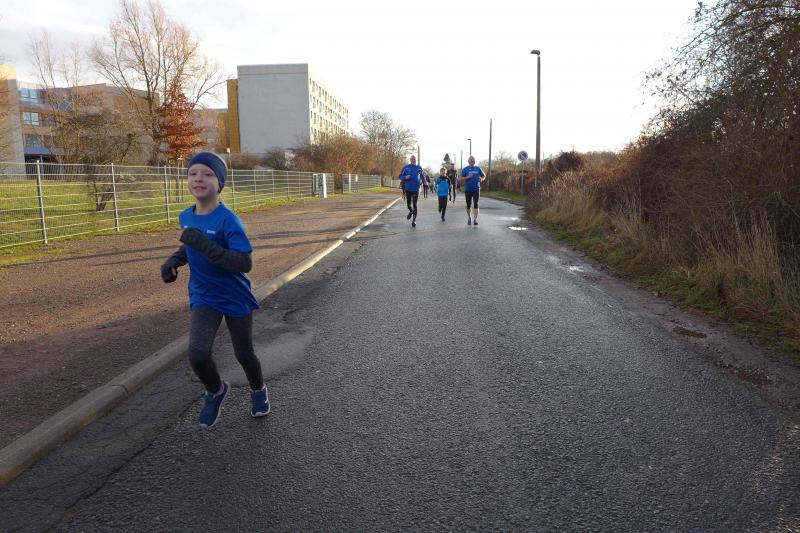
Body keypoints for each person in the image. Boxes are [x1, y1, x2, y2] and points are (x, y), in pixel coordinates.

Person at [160, 151, 270, 428]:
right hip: (204, 295)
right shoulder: (186, 216)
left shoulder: (228, 220)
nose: (199, 178)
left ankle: (258, 390)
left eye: (208, 174)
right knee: (197, 354)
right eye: (193, 173)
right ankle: (216, 390)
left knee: (244, 355)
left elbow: (243, 263)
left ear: (220, 183)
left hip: (234, 297)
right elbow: (190, 246)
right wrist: (174, 261)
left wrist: (201, 243)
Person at [460, 155, 486, 226]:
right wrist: (468, 177)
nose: (472, 161)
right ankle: (469, 217)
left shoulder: (478, 168)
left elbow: (484, 176)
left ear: (474, 161)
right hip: (468, 189)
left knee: (476, 204)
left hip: (476, 189)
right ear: (468, 161)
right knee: (468, 204)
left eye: (473, 160)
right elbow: (461, 178)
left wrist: (482, 179)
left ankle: (475, 220)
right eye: (471, 160)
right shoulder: (465, 169)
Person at [399, 155, 424, 227]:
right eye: (412, 159)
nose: (413, 160)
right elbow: (400, 176)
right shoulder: (406, 167)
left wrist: (425, 182)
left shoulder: (419, 167)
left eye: (414, 159)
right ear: (410, 160)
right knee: (408, 205)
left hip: (416, 189)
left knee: (415, 204)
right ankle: (410, 211)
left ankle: (414, 220)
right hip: (408, 189)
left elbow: (422, 176)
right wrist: (405, 177)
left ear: (416, 160)